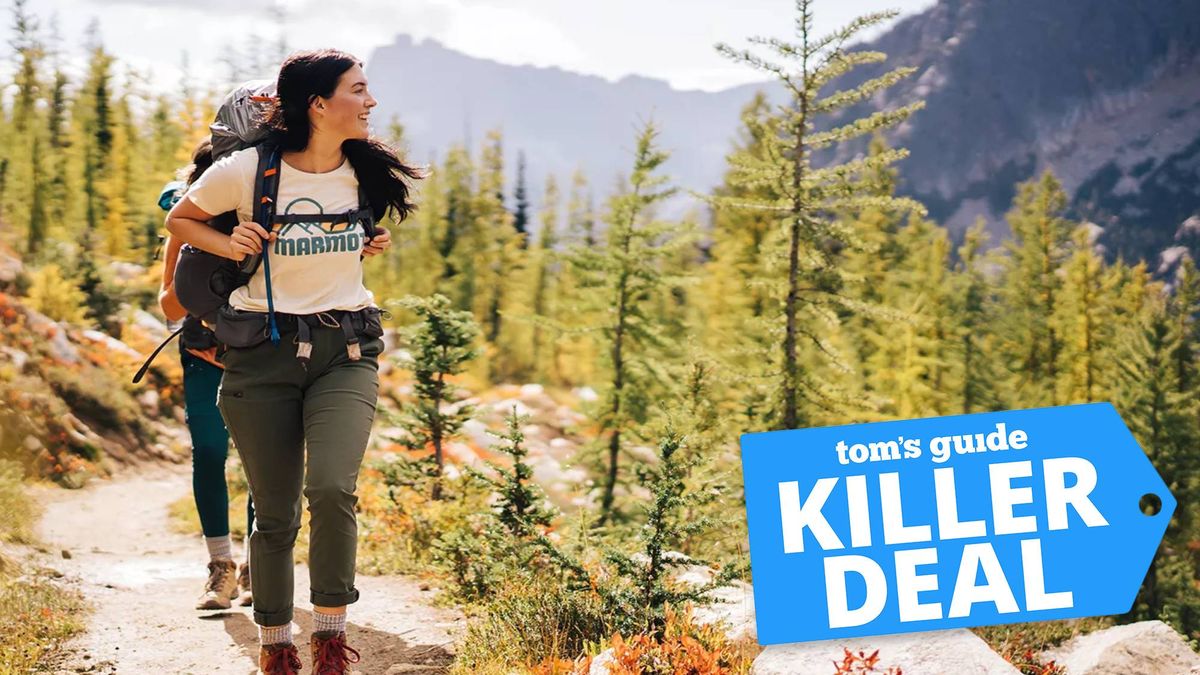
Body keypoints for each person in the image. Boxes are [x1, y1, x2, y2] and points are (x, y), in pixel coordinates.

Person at [166, 49, 420, 674]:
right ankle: (276, 647)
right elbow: (182, 218)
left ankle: (331, 640)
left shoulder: (363, 170)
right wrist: (230, 240)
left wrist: (365, 242)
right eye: (358, 90)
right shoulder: (247, 169)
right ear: (318, 104)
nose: (371, 102)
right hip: (263, 355)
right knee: (274, 514)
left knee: (332, 488)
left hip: (347, 349)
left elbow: (348, 235)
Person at [158, 138, 256, 611]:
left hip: (260, 354)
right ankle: (221, 569)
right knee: (210, 453)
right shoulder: (185, 221)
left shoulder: (265, 216)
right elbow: (168, 306)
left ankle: (259, 566)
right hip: (203, 357)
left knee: (265, 458)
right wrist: (189, 247)